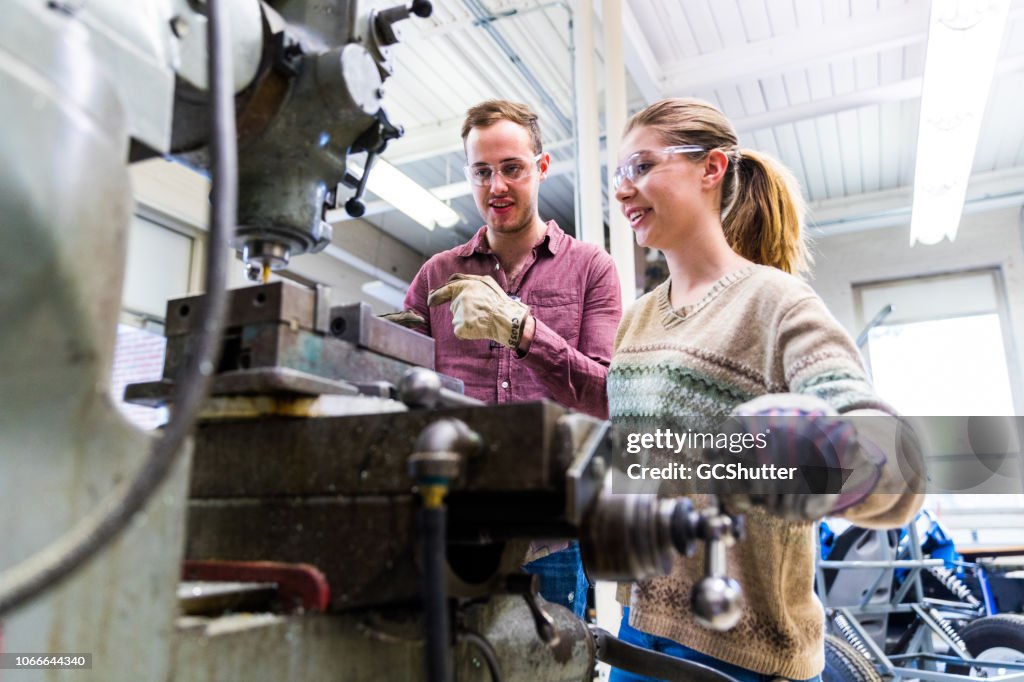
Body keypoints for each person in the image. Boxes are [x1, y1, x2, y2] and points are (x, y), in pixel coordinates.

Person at [606, 98, 924, 681]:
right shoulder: (636, 321)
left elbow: (896, 471)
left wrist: (808, 464)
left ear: (711, 169)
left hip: (742, 653)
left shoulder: (775, 303)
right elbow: (639, 467)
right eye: (618, 175)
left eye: (642, 167)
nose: (624, 191)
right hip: (638, 632)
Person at [402, 99, 623, 618]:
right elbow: (400, 383)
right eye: (482, 171)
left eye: (511, 168)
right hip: (453, 522)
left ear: (542, 168)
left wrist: (524, 332)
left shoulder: (592, 268)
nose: (496, 186)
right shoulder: (437, 274)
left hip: (549, 533)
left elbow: (607, 396)